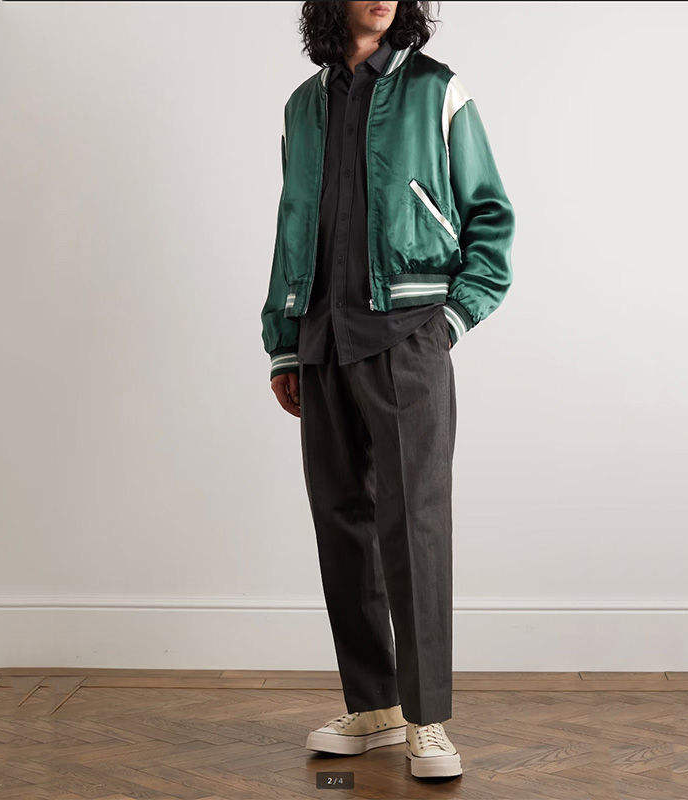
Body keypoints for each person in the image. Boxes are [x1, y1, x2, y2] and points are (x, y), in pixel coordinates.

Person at [261, 0, 514, 780]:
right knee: (341, 522)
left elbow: (490, 213)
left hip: (408, 333)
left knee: (416, 525)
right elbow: (292, 222)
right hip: (322, 337)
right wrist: (284, 339)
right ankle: (373, 706)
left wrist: (452, 319)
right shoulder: (303, 106)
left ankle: (426, 720)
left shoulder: (437, 89)